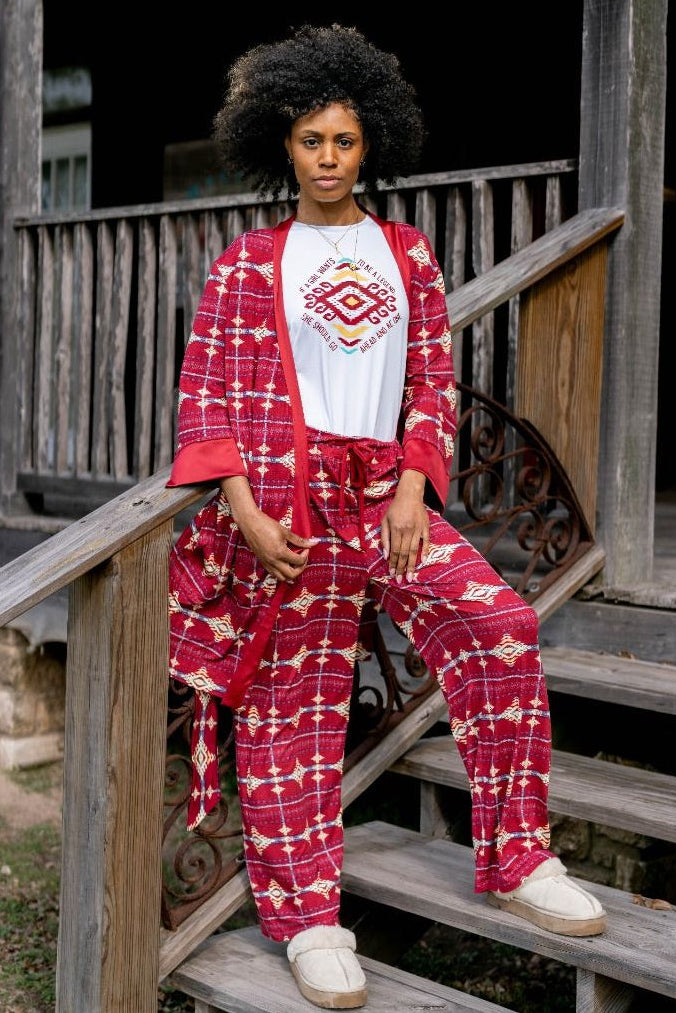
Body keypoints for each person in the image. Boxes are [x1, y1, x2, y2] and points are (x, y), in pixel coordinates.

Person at [166, 23, 606, 1010]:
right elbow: (207, 398)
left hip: (383, 498)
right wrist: (245, 511)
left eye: (344, 141)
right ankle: (310, 922)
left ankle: (519, 856)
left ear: (372, 144)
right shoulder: (249, 263)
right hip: (288, 506)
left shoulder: (406, 253)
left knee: (499, 625)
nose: (327, 158)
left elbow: (432, 379)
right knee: (295, 705)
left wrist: (414, 486)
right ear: (283, 145)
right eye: (310, 141)